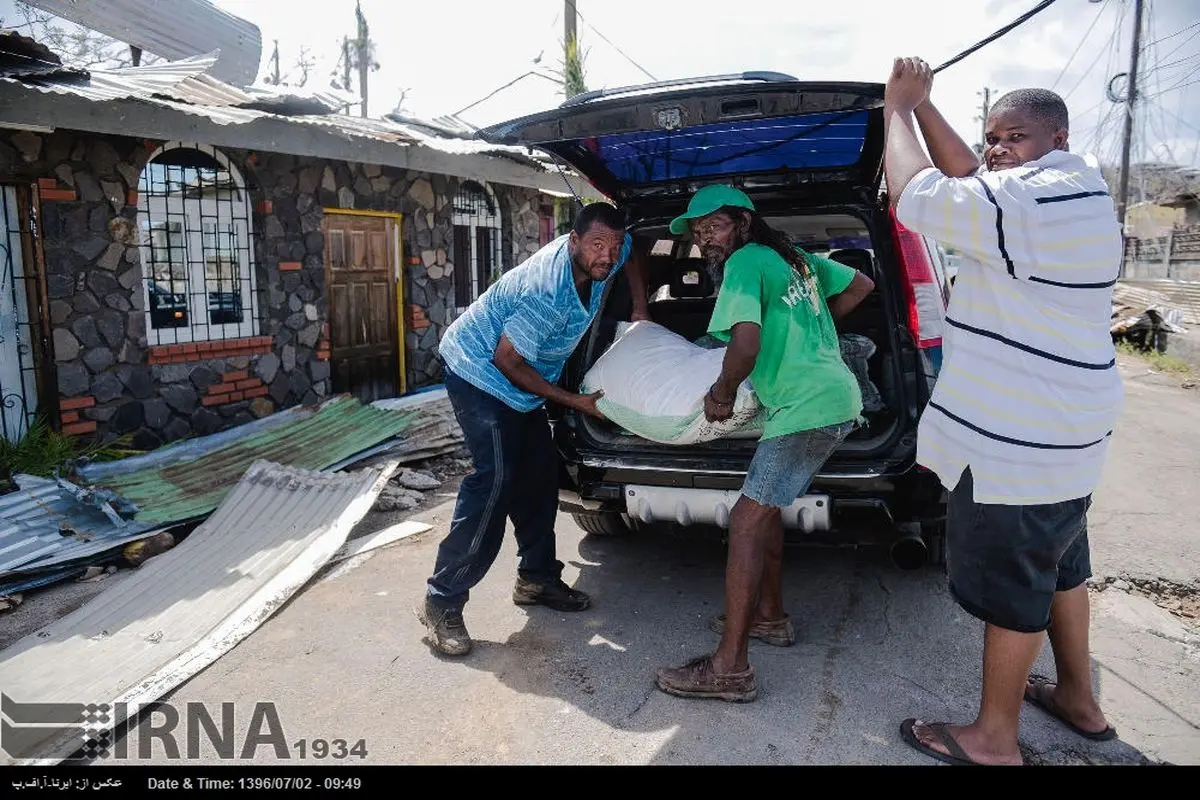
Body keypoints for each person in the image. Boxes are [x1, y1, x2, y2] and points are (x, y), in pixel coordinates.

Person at [882, 57, 1125, 765]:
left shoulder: (1039, 200)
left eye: (1011, 136)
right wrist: (928, 108)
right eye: (992, 137)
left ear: (1058, 135)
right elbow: (971, 180)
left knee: (1016, 587)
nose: (996, 149)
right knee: (1060, 569)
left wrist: (897, 110)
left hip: (1021, 446)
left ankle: (993, 739)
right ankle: (1078, 698)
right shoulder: (1064, 192)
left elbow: (918, 197)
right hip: (1063, 440)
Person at [652, 184, 875, 702]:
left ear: (744, 224)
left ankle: (729, 668)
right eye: (699, 232)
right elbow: (861, 283)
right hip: (831, 394)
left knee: (747, 523)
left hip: (806, 407)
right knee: (767, 510)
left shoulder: (746, 262)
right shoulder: (791, 256)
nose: (707, 239)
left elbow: (744, 343)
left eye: (715, 227)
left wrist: (721, 392)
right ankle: (770, 618)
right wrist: (809, 332)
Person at [418, 201, 650, 657]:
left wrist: (641, 307)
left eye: (613, 244)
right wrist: (575, 402)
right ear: (574, 242)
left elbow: (633, 253)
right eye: (598, 245)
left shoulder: (610, 254)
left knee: (541, 476)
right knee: (495, 481)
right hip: (479, 371)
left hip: (522, 379)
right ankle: (442, 601)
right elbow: (508, 360)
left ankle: (537, 579)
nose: (607, 255)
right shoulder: (547, 289)